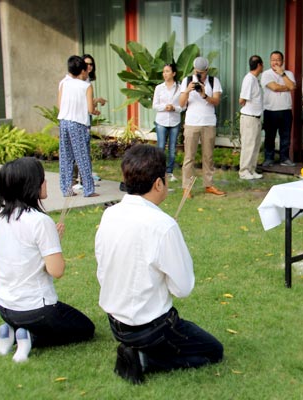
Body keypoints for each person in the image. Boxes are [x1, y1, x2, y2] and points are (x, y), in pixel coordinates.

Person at [95, 144, 224, 384]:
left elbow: (103, 268)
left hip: (116, 323)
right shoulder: (163, 226)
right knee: (213, 351)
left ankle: (141, 353)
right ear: (158, 184)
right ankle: (144, 360)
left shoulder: (110, 214)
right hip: (150, 327)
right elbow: (183, 288)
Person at [0, 157, 95, 363]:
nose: (45, 182)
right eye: (42, 179)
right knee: (86, 329)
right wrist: (54, 244)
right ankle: (30, 336)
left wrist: (51, 242)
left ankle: (10, 331)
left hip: (4, 307)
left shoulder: (0, 218)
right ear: (31, 185)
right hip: (35, 309)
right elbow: (56, 270)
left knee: (65, 320)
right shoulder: (40, 221)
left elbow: (23, 256)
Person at [179, 57, 226, 197]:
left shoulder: (214, 81)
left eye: (202, 72)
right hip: (191, 123)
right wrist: (187, 91)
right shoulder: (187, 81)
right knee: (189, 156)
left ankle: (209, 185)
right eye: (197, 72)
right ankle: (187, 187)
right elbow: (181, 104)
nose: (199, 75)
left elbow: (216, 101)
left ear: (207, 70)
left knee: (208, 156)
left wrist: (204, 94)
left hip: (208, 122)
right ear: (194, 70)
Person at [57, 55, 100, 197]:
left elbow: (60, 105)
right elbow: (90, 109)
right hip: (78, 123)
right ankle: (88, 190)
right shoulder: (86, 86)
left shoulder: (64, 83)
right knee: (82, 156)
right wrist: (95, 111)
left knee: (66, 156)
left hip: (64, 121)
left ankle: (66, 189)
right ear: (82, 70)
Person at [261, 51, 297, 167]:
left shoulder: (288, 74)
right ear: (270, 61)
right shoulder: (266, 74)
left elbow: (292, 86)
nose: (275, 62)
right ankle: (269, 158)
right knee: (270, 136)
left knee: (285, 136)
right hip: (270, 110)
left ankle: (284, 158)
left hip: (286, 109)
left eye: (278, 60)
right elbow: (275, 88)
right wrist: (286, 87)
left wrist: (282, 74)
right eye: (273, 60)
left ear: (283, 61)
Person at [153, 63, 183, 182]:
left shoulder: (180, 88)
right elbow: (155, 105)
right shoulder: (159, 88)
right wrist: (165, 107)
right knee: (160, 147)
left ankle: (169, 172)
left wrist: (174, 108)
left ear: (173, 73)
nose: (164, 74)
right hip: (161, 120)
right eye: (163, 71)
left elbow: (183, 106)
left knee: (172, 148)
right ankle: (159, 172)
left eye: (167, 71)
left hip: (175, 121)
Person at [238, 55, 264, 180]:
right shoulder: (249, 79)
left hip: (256, 117)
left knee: (255, 145)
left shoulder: (254, 79)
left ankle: (251, 169)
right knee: (248, 145)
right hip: (249, 117)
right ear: (259, 65)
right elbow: (242, 99)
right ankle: (244, 171)